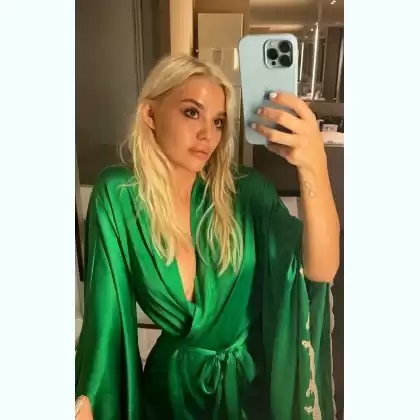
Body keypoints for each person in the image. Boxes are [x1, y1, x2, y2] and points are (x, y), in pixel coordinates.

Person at [75, 54, 340, 420]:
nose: (207, 135)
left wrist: (314, 165)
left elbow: (320, 271)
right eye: (191, 113)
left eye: (218, 121)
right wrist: (86, 402)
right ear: (150, 115)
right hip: (170, 396)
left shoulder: (246, 193)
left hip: (249, 392)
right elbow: (105, 319)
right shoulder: (119, 196)